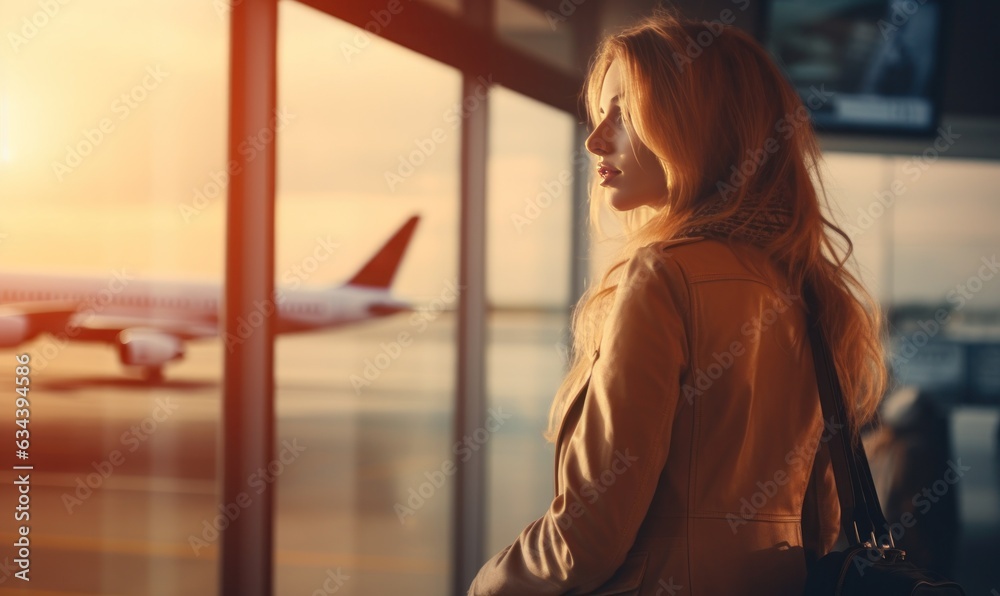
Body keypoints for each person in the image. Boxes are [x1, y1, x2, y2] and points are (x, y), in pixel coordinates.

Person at [468, 9, 887, 596]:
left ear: (699, 124)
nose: (595, 139)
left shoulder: (664, 276)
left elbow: (587, 537)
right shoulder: (812, 292)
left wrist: (487, 582)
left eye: (624, 111)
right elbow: (820, 525)